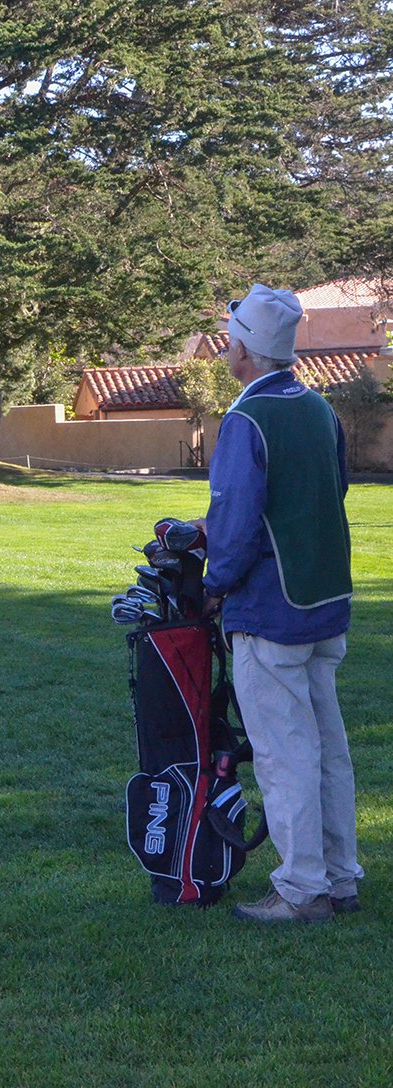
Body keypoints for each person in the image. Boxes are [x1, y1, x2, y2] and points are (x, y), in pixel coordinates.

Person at [198, 283, 360, 925]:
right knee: (327, 748)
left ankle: (301, 889)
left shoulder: (245, 421)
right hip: (325, 600)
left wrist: (215, 587)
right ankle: (340, 876)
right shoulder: (319, 409)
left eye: (230, 333)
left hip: (271, 609)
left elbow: (236, 522)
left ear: (245, 349)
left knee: (285, 754)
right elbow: (332, 490)